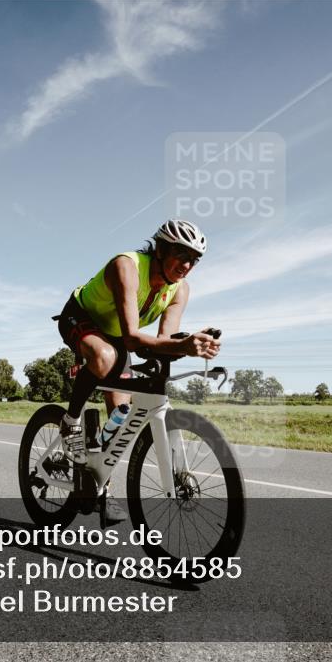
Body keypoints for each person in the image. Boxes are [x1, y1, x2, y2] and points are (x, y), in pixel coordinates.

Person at [55, 219, 220, 526]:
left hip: (116, 335)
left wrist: (188, 344)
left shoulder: (179, 290)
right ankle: (71, 419)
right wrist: (184, 346)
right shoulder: (127, 266)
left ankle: (99, 486)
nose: (187, 265)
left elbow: (163, 342)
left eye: (194, 261)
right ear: (160, 249)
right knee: (104, 359)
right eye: (181, 255)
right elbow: (133, 338)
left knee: (121, 417)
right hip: (80, 317)